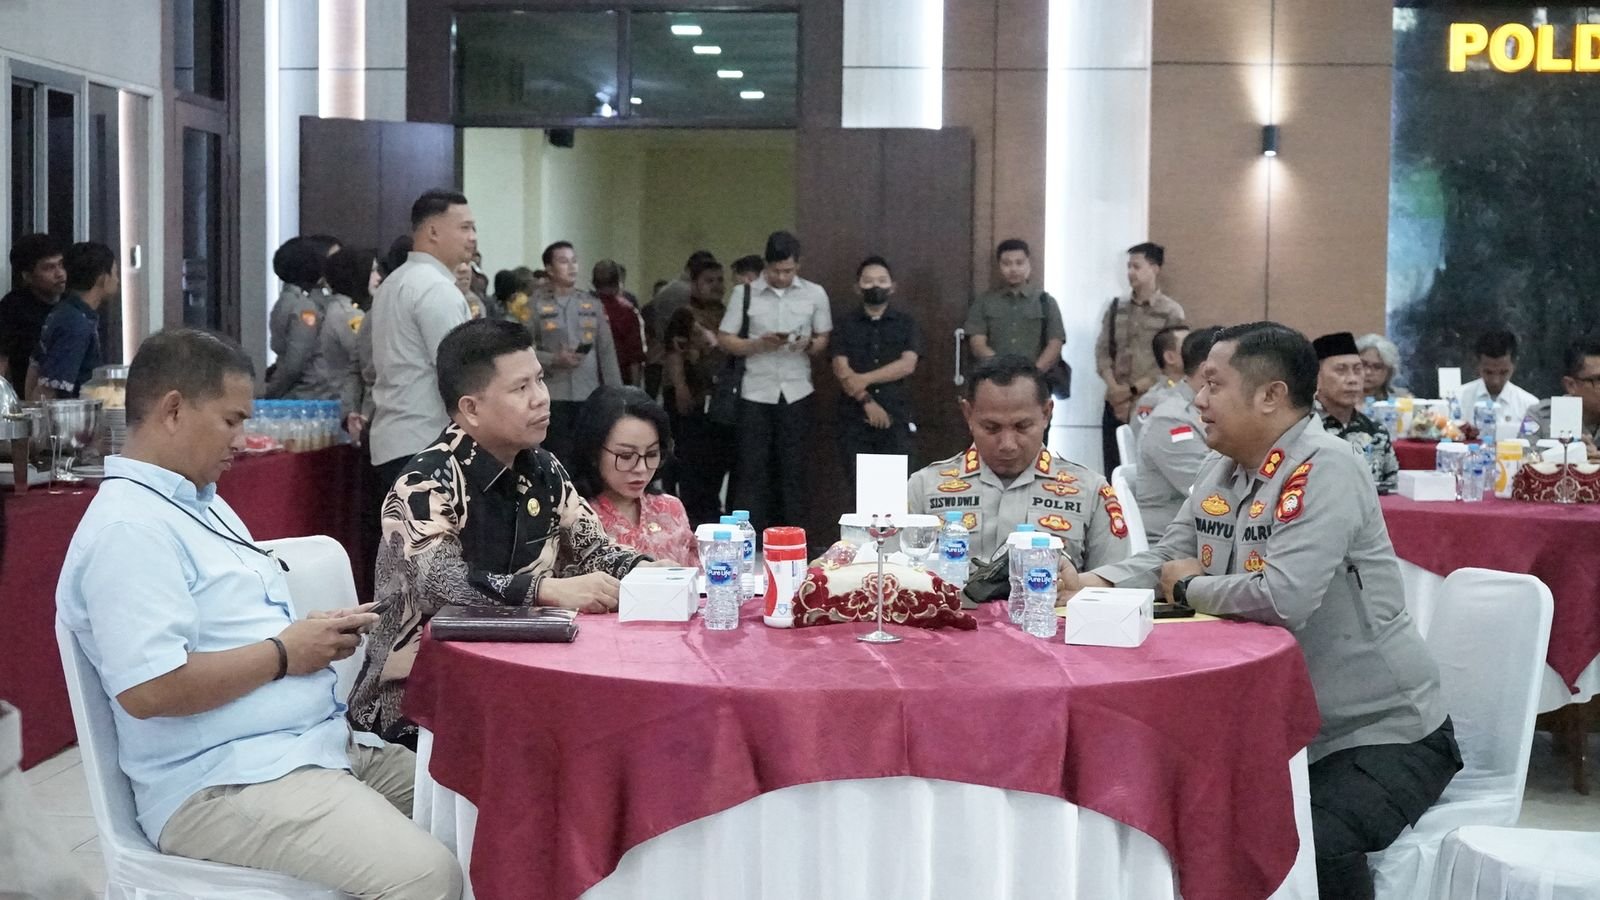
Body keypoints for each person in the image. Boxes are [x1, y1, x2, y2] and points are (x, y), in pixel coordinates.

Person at [56, 328, 462, 899]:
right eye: (231, 420)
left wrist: (308, 635)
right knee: (426, 876)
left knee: (487, 815)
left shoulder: (200, 502)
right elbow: (149, 689)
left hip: (310, 745)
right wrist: (284, 653)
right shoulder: (130, 528)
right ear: (173, 410)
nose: (243, 440)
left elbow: (232, 628)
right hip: (223, 781)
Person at [1080, 321, 1460, 900]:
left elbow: (1284, 597)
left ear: (1269, 396)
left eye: (1214, 385)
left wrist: (1189, 589)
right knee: (1185, 818)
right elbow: (1167, 556)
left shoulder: (1326, 466)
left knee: (1312, 843)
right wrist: (1089, 582)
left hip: (1379, 734)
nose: (1198, 400)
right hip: (1278, 732)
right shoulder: (1223, 465)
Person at [349, 320, 650, 746]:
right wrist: (546, 591)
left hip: (520, 679)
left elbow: (593, 550)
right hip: (421, 703)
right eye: (521, 388)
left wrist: (653, 572)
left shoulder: (543, 468)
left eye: (540, 380)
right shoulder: (425, 483)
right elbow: (441, 584)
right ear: (471, 408)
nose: (541, 397)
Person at [907, 355, 1132, 570]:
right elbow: (894, 575)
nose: (1008, 444)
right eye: (991, 428)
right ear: (968, 414)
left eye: (1022, 426)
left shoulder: (1090, 491)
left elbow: (1114, 585)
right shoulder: (924, 487)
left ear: (1046, 414)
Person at [717, 231, 831, 535]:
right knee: (752, 470)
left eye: (788, 271)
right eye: (776, 270)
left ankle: (795, 538)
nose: (781, 277)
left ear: (798, 265)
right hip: (755, 392)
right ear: (766, 265)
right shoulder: (745, 294)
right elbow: (725, 338)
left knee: (794, 469)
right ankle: (750, 539)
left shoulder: (814, 294)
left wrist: (807, 344)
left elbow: (823, 339)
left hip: (797, 391)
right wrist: (757, 344)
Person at [368, 189, 477, 500]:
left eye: (473, 228)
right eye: (465, 227)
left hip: (395, 440)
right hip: (427, 443)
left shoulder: (394, 282)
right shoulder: (435, 288)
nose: (472, 237)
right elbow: (459, 373)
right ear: (433, 231)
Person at [571, 385, 697, 565]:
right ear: (593, 452)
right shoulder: (574, 518)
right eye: (626, 456)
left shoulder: (670, 508)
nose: (641, 468)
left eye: (652, 454)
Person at [525, 241, 624, 464]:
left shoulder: (592, 304)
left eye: (574, 261)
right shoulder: (535, 305)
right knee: (558, 457)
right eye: (563, 261)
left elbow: (606, 352)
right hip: (553, 394)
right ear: (549, 269)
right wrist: (552, 359)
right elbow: (522, 348)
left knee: (588, 457)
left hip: (588, 393)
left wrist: (617, 396)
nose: (571, 267)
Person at [1095, 242, 1186, 471]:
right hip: (1114, 401)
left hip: (1152, 401)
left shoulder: (1171, 311)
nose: (1130, 272)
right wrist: (1115, 389)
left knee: (1147, 468)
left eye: (1136, 266)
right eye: (1128, 267)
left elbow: (1173, 362)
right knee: (1113, 469)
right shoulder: (1116, 307)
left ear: (1154, 268)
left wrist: (1132, 391)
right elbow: (1103, 351)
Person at [831, 255, 921, 482]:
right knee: (860, 489)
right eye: (868, 281)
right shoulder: (844, 323)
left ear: (892, 287)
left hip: (896, 414)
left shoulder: (906, 323)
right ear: (857, 287)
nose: (875, 286)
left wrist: (864, 379)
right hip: (854, 415)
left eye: (882, 280)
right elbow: (841, 369)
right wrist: (867, 401)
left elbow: (907, 364)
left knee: (894, 490)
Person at [664, 257, 735, 525]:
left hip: (719, 401)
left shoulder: (728, 314)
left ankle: (712, 513)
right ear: (694, 284)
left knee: (717, 460)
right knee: (693, 462)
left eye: (720, 280)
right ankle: (693, 519)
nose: (716, 286)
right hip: (691, 398)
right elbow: (674, 354)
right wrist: (680, 387)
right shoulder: (684, 315)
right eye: (709, 281)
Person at [1134, 326, 1221, 542]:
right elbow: (1208, 490)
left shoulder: (1213, 410)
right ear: (1206, 371)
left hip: (1208, 534)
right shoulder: (1171, 420)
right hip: (1171, 542)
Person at [28, 241, 116, 399]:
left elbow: (34, 367)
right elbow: (47, 391)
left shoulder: (65, 311)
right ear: (103, 278)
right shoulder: (75, 324)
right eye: (115, 273)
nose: (118, 280)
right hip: (69, 412)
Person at [1313, 331, 1399, 494]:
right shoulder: (1301, 428)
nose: (1352, 379)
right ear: (1317, 377)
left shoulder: (1376, 432)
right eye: (1341, 370)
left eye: (1358, 370)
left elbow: (1392, 491)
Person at [965, 238, 1065, 372]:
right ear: (999, 266)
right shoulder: (984, 301)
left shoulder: (1046, 301)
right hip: (994, 376)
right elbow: (977, 344)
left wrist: (1033, 374)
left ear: (1028, 264)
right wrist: (1002, 369)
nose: (1013, 269)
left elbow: (1055, 344)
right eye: (1007, 264)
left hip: (1036, 377)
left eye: (1019, 263)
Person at [317, 247, 381, 442]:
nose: (378, 277)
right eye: (372, 270)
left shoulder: (344, 308)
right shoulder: (349, 315)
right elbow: (365, 358)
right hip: (348, 407)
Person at [262, 236, 334, 399]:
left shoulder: (288, 300)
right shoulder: (303, 307)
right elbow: (295, 362)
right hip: (305, 393)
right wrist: (273, 393)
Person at [643, 250, 716, 396]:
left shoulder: (671, 288)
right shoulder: (685, 292)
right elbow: (691, 326)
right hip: (677, 363)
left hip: (662, 358)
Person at [0, 233, 66, 389]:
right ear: (27, 276)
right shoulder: (12, 309)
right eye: (49, 268)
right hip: (28, 398)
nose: (59, 273)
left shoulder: (72, 302)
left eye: (61, 264)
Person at [1457, 329, 1538, 438]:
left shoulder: (1529, 405)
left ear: (1514, 365)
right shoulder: (1458, 399)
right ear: (1477, 364)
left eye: (1503, 372)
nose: (1495, 381)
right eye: (1488, 372)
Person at [1532, 338, 1600, 454]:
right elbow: (1522, 459)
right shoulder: (1541, 417)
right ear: (1570, 385)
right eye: (1597, 380)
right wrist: (1561, 455)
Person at [1129, 324, 1189, 446]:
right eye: (1188, 346)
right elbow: (1142, 441)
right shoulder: (1152, 401)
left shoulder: (1200, 391)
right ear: (1170, 357)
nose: (1197, 351)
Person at [594, 259, 647, 387]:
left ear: (594, 283)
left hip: (587, 380)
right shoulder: (628, 311)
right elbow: (635, 356)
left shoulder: (583, 308)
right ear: (619, 282)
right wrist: (635, 388)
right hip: (620, 379)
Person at [1356, 333, 1411, 402]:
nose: (1368, 372)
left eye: (1377, 367)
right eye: (1363, 364)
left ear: (1389, 372)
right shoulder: (1342, 399)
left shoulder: (1402, 399)